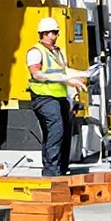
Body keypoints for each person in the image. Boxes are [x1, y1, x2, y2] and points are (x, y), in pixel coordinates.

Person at [23, 17, 89, 176]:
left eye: (56, 33)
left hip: (59, 98)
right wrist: (67, 80)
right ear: (43, 34)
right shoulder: (35, 52)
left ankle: (61, 167)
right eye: (51, 33)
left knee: (64, 132)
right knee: (56, 130)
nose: (54, 36)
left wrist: (83, 74)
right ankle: (52, 171)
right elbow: (37, 74)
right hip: (43, 98)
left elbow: (64, 71)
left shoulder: (58, 52)